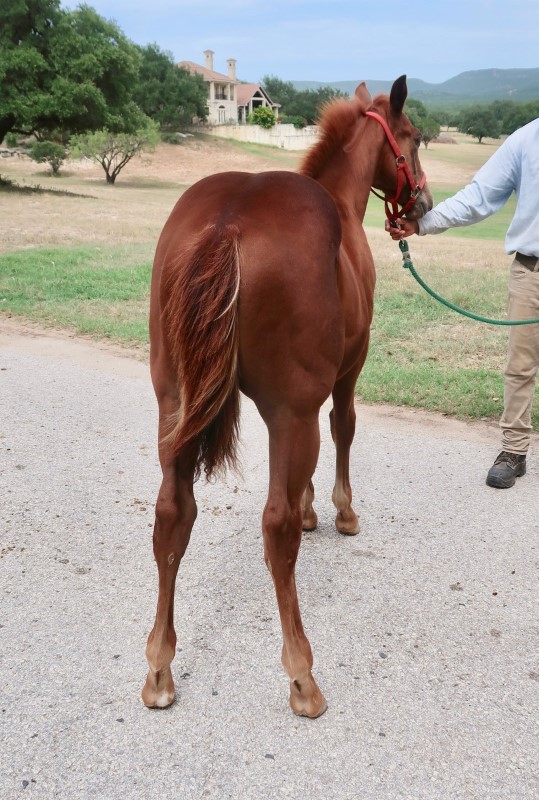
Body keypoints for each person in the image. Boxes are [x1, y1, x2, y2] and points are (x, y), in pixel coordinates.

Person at [386, 118, 539, 488]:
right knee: (520, 367)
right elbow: (479, 196)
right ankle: (514, 451)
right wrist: (421, 224)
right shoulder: (525, 140)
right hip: (531, 270)